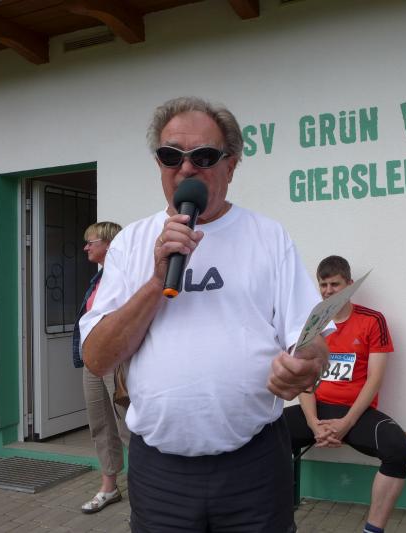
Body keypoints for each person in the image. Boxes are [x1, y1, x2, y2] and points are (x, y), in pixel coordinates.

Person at [79, 96, 329, 533]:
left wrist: (307, 365)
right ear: (159, 164)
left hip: (254, 464)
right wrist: (157, 281)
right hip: (160, 472)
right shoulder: (130, 244)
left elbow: (310, 339)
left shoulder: (268, 237)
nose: (186, 168)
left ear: (231, 165)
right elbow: (98, 357)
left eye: (204, 156)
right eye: (171, 155)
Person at [284, 255, 406, 533]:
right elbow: (305, 381)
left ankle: (372, 529)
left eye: (335, 284)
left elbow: (374, 380)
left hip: (355, 414)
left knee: (399, 448)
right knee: (261, 434)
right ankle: (273, 519)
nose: (328, 291)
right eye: (323, 285)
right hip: (316, 411)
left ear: (350, 285)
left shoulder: (372, 320)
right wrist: (313, 424)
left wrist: (346, 423)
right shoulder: (312, 324)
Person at [71, 221, 129, 514]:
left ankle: (146, 489)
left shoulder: (125, 276)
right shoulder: (99, 278)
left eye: (91, 242)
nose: (86, 247)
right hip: (92, 360)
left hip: (117, 360)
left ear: (109, 243)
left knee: (129, 425)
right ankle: (109, 487)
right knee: (100, 424)